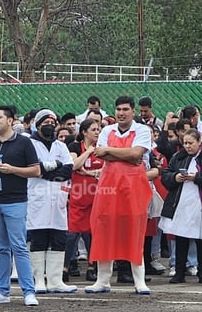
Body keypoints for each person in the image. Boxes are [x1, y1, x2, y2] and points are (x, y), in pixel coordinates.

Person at [85, 96, 154, 295]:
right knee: (104, 229)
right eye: (118, 109)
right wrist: (124, 154)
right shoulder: (107, 130)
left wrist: (109, 151)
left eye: (125, 109)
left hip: (134, 187)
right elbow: (101, 154)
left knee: (134, 230)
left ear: (132, 111)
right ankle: (102, 280)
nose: (121, 113)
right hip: (108, 186)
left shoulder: (141, 130)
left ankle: (139, 280)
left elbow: (137, 154)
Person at [0, 105, 41, 306]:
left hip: (15, 201)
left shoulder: (24, 143)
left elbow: (36, 170)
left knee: (19, 247)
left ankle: (28, 291)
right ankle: (2, 291)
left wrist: (12, 169)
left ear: (10, 120)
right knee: (1, 248)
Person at [161, 129, 202, 285]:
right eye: (185, 143)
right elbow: (166, 175)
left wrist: (197, 177)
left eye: (191, 143)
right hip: (181, 204)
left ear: (199, 142)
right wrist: (175, 177)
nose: (187, 146)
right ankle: (179, 271)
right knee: (181, 238)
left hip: (201, 204)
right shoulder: (178, 157)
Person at [26, 109, 77, 294]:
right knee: (38, 238)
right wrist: (52, 167)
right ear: (38, 125)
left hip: (58, 197)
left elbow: (68, 170)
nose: (49, 126)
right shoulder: (29, 144)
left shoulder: (61, 146)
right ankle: (39, 279)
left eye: (52, 122)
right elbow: (33, 168)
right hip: (36, 197)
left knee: (59, 238)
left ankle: (55, 280)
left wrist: (46, 170)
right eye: (45, 122)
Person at [67, 118, 103, 281]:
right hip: (78, 195)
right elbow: (74, 165)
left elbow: (106, 169)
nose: (97, 132)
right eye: (94, 129)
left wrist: (88, 172)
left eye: (98, 129)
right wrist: (88, 152)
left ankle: (92, 266)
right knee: (72, 233)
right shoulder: (75, 147)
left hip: (98, 195)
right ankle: (65, 267)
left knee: (92, 233)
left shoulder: (102, 148)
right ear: (84, 132)